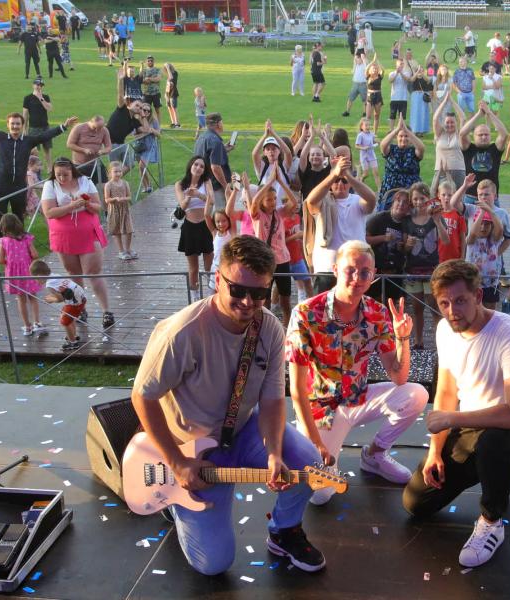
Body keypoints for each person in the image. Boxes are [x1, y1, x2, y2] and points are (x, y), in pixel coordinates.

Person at [131, 234, 326, 573]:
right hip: (194, 448)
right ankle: (174, 502)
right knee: (213, 565)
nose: (248, 302)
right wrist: (176, 462)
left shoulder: (269, 328)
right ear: (218, 280)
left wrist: (274, 453)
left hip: (244, 428)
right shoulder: (183, 332)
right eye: (238, 289)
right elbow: (142, 396)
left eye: (259, 293)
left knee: (307, 463)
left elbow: (272, 399)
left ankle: (284, 530)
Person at [403, 259, 510, 568]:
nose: (452, 310)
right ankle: (495, 470)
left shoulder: (508, 332)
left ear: (478, 296)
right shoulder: (445, 329)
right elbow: (447, 392)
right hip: (472, 427)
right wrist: (435, 451)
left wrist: (452, 419)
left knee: (493, 443)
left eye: (460, 300)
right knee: (416, 502)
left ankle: (492, 522)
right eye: (444, 303)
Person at [287, 240, 428, 504]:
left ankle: (374, 455)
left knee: (416, 394)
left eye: (364, 272)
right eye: (350, 270)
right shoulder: (306, 313)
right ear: (335, 269)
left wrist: (403, 338)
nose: (357, 278)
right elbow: (296, 389)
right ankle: (310, 446)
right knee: (320, 494)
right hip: (322, 409)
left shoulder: (377, 313)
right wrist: (316, 443)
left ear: (373, 276)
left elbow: (398, 377)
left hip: (358, 397)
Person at [0, 107, 76, 237]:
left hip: (19, 186)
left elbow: (45, 136)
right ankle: (0, 243)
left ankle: (19, 240)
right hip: (1, 186)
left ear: (22, 125)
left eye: (18, 124)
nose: (15, 126)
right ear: (8, 125)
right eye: (12, 123)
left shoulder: (28, 141)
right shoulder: (0, 137)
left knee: (19, 215)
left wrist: (63, 126)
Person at [40, 157, 114, 329]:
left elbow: (98, 207)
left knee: (93, 272)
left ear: (72, 171)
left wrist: (86, 203)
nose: (61, 178)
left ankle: (107, 311)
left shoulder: (85, 181)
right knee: (73, 272)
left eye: (65, 175)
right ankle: (80, 307)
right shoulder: (50, 185)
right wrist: (71, 207)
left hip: (87, 231)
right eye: (58, 175)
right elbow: (49, 212)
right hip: (63, 234)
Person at [229, 168, 298, 325]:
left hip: (282, 261)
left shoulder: (279, 213)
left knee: (285, 299)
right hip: (265, 261)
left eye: (274, 199)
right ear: (261, 201)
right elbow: (254, 202)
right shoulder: (257, 215)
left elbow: (293, 202)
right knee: (264, 300)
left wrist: (280, 182)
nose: (273, 202)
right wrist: (269, 182)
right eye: (269, 200)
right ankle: (265, 327)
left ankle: (286, 328)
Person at [304, 157, 377, 293]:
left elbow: (371, 199)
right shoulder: (324, 200)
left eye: (344, 181)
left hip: (355, 269)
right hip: (327, 268)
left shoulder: (357, 200)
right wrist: (334, 174)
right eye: (336, 181)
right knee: (323, 306)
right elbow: (310, 201)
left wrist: (348, 176)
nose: (340, 184)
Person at [403, 182, 448, 348]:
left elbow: (446, 240)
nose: (419, 202)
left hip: (432, 269)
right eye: (415, 199)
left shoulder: (436, 216)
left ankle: (440, 342)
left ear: (428, 198)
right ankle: (418, 341)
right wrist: (408, 244)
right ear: (411, 200)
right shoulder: (407, 220)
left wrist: (437, 221)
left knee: (434, 307)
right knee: (416, 308)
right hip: (412, 269)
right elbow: (405, 248)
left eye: (422, 198)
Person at [0, 213, 43, 336]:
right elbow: (35, 255)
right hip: (28, 271)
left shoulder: (3, 241)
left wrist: (10, 263)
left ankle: (27, 326)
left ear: (3, 228)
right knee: (33, 297)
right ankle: (37, 323)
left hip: (14, 274)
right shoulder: (26, 238)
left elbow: (0, 260)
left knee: (21, 299)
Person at [176, 156, 214, 296]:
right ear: (190, 165)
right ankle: (195, 296)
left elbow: (212, 201)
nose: (198, 168)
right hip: (190, 227)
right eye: (196, 164)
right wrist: (188, 196)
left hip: (206, 225)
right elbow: (182, 206)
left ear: (204, 170)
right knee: (193, 268)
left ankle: (211, 294)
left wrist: (198, 194)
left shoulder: (206, 181)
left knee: (209, 266)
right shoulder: (180, 184)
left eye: (201, 166)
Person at [366, 188, 411, 304]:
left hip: (395, 271)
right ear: (393, 202)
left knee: (392, 304)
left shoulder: (408, 223)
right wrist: (383, 238)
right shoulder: (379, 218)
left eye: (405, 202)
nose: (401, 204)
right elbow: (365, 239)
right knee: (373, 303)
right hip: (376, 270)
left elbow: (408, 250)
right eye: (398, 200)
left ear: (409, 207)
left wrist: (403, 246)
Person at [30, 259, 87, 351]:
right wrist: (53, 296)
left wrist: (51, 300)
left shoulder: (49, 285)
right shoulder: (55, 275)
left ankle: (72, 343)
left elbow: (60, 299)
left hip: (75, 302)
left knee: (65, 321)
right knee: (69, 317)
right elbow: (62, 293)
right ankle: (73, 335)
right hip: (81, 297)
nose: (35, 281)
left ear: (40, 275)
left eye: (35, 278)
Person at [460, 102, 508, 202]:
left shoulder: (495, 149)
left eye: (486, 134)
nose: (483, 137)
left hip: (491, 199)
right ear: (474, 136)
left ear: (490, 136)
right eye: (480, 135)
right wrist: (479, 114)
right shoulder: (469, 148)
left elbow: (504, 134)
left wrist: (489, 112)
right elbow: (462, 134)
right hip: (471, 197)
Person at [378, 115, 424, 210]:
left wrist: (407, 131)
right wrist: (397, 129)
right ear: (396, 137)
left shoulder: (414, 151)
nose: (403, 138)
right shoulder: (391, 149)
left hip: (410, 187)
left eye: (406, 136)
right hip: (391, 187)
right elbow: (382, 145)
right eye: (401, 136)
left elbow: (421, 148)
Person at [465, 203, 504, 309]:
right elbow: (473, 233)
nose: (483, 227)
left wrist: (490, 211)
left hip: (491, 283)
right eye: (481, 223)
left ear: (491, 226)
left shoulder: (494, 240)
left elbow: (500, 230)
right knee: (473, 309)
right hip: (473, 282)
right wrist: (482, 212)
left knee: (490, 310)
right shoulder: (471, 240)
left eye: (487, 224)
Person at [194, 112, 234, 211]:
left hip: (203, 184)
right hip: (215, 187)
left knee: (208, 214)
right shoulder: (216, 141)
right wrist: (226, 186)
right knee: (220, 214)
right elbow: (215, 167)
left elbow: (206, 156)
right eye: (222, 122)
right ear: (218, 124)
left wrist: (223, 149)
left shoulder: (202, 137)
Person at [432, 92, 468, 190]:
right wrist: (444, 102)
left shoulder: (459, 134)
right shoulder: (439, 134)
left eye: (452, 122)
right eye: (447, 122)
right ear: (444, 123)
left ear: (456, 123)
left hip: (458, 170)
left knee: (458, 197)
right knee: (437, 196)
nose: (449, 124)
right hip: (441, 171)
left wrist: (452, 101)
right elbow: (435, 119)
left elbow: (463, 118)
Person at [66, 115, 111, 185]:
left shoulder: (104, 130)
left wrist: (102, 151)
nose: (97, 131)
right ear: (90, 122)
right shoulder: (78, 128)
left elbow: (109, 147)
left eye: (100, 128)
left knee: (104, 184)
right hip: (80, 164)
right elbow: (69, 144)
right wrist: (84, 150)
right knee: (82, 187)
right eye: (95, 128)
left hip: (96, 163)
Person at [105, 161, 135, 260]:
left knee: (129, 230)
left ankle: (128, 249)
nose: (118, 174)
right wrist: (115, 199)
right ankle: (121, 251)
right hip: (114, 210)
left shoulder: (125, 183)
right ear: (110, 173)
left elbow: (129, 197)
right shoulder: (108, 185)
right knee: (117, 231)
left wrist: (123, 199)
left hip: (125, 210)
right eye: (115, 172)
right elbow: (106, 199)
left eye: (119, 171)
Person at [22, 77, 54, 165]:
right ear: (33, 85)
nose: (39, 87)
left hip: (45, 127)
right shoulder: (28, 98)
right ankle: (34, 167)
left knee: (47, 149)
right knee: (33, 150)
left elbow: (49, 109)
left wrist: (41, 98)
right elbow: (25, 114)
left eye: (41, 85)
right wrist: (24, 129)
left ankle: (50, 168)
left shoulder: (45, 97)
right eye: (37, 85)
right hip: (33, 128)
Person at [356, 117, 380, 189]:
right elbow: (356, 146)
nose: (368, 127)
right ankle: (361, 179)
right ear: (361, 127)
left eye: (369, 125)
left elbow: (373, 141)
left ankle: (380, 189)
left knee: (376, 173)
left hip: (372, 156)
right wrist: (363, 148)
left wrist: (378, 141)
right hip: (364, 157)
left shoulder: (371, 134)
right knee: (366, 174)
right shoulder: (360, 135)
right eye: (366, 125)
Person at [343, 51, 368, 118]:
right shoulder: (356, 65)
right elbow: (353, 69)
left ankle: (365, 113)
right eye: (356, 58)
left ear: (361, 58)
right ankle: (347, 112)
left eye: (357, 58)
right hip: (355, 84)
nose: (356, 60)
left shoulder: (365, 64)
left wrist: (363, 58)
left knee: (365, 100)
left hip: (363, 85)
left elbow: (366, 67)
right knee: (350, 98)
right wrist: (356, 59)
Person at [141, 55, 164, 122]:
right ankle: (146, 125)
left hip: (156, 93)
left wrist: (148, 79)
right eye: (148, 61)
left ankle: (158, 125)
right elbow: (142, 81)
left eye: (151, 61)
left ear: (154, 61)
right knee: (145, 110)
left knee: (157, 110)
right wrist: (152, 80)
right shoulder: (144, 71)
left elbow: (158, 79)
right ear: (146, 62)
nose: (150, 62)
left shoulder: (158, 70)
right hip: (146, 94)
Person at [365, 59, 385, 134]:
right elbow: (366, 69)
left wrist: (378, 62)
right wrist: (372, 61)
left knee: (376, 115)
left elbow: (383, 70)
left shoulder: (379, 76)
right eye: (373, 68)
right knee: (368, 117)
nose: (375, 70)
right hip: (370, 96)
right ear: (371, 69)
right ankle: (367, 131)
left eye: (376, 68)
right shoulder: (368, 76)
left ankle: (375, 133)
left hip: (378, 96)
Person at [164, 62, 181, 128]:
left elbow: (171, 78)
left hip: (173, 93)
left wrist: (168, 67)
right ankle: (173, 122)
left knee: (174, 108)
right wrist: (165, 94)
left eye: (166, 68)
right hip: (168, 94)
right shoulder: (168, 75)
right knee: (169, 108)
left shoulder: (175, 73)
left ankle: (177, 123)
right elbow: (167, 85)